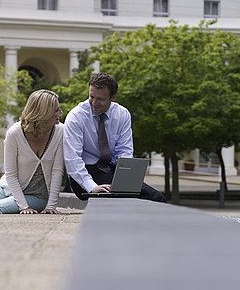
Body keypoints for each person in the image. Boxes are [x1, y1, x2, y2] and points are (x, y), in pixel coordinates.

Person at [64, 72, 166, 203]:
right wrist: (92, 187)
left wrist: (126, 178)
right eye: (91, 97)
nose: (94, 103)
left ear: (113, 98)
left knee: (156, 199)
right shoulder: (76, 117)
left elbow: (125, 152)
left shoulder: (122, 114)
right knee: (145, 198)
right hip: (86, 174)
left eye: (100, 99)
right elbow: (72, 159)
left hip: (111, 171)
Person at [0, 89, 65, 220]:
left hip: (38, 196)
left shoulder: (60, 132)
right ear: (44, 112)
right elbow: (11, 175)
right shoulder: (14, 133)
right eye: (56, 110)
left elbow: (57, 171)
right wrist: (24, 207)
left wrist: (51, 206)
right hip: (6, 188)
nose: (60, 113)